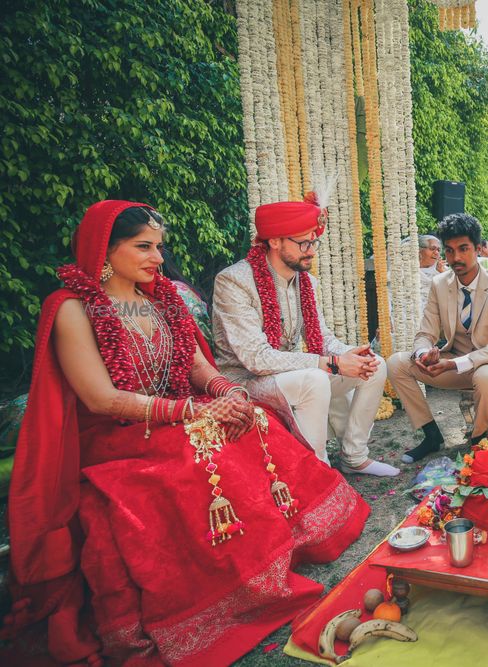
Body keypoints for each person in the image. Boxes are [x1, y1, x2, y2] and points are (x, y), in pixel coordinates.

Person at [4, 201, 369, 666]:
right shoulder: (72, 308)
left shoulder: (160, 297)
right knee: (201, 448)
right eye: (144, 247)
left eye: (159, 247)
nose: (158, 257)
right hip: (117, 432)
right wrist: (191, 412)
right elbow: (99, 398)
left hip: (174, 412)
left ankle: (287, 549)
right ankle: (229, 590)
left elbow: (196, 366)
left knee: (252, 419)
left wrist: (224, 391)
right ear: (104, 249)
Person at [212, 196, 399, 476]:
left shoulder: (305, 282)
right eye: (303, 243)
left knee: (375, 365)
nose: (311, 251)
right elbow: (255, 358)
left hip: (288, 374)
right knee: (314, 378)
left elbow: (322, 339)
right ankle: (317, 473)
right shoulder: (235, 281)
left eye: (314, 243)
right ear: (274, 241)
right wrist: (332, 364)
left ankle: (355, 456)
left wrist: (350, 354)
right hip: (245, 381)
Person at [387, 213, 488, 463]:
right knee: (396, 363)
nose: (455, 258)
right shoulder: (440, 284)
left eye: (463, 249)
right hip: (452, 363)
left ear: (479, 249)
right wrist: (423, 354)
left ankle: (479, 440)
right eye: (449, 250)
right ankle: (431, 435)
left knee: (486, 374)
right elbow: (425, 333)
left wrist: (454, 363)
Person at [418, 234, 447, 309]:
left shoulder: (443, 270)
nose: (436, 253)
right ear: (419, 250)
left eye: (438, 250)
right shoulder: (405, 271)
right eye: (432, 249)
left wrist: (442, 273)